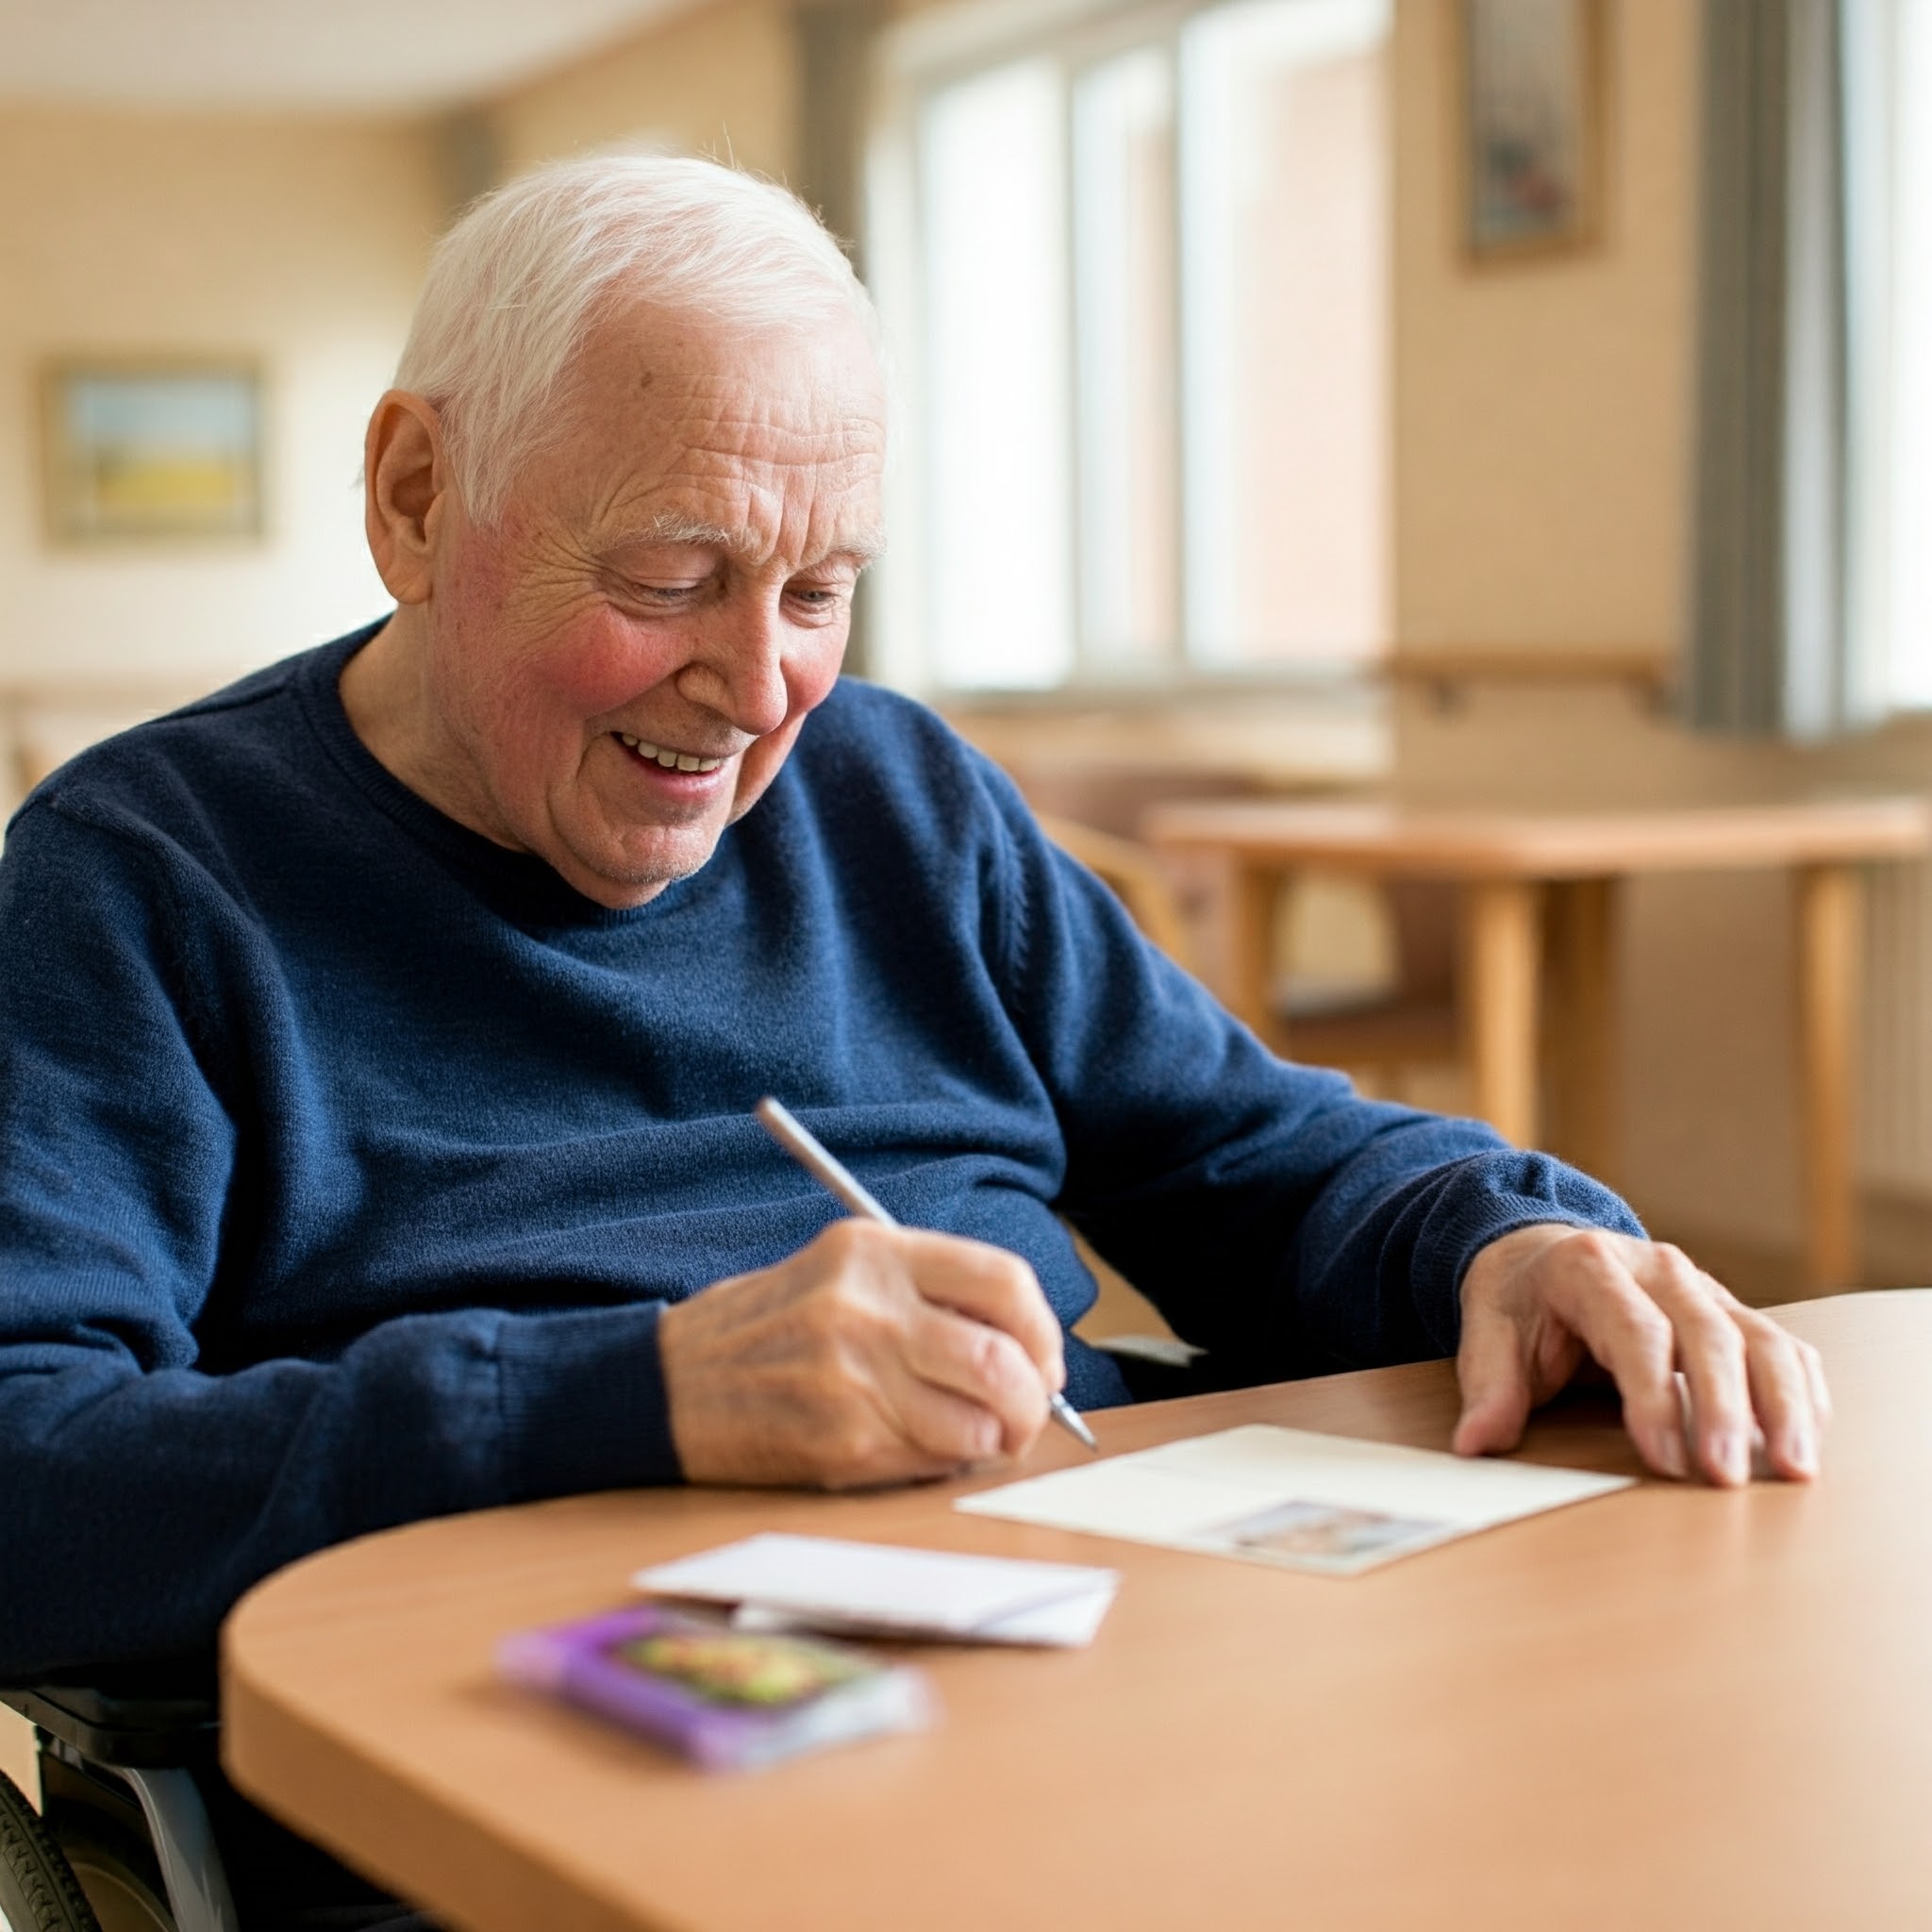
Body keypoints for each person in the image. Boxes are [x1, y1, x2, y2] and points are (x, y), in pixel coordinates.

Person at [0, 157, 1824, 1694]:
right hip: (545, 1736)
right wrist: (640, 1396)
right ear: (416, 499)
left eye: (821, 589)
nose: (757, 683)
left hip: (1084, 1659)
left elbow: (1248, 1155)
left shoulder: (896, 793)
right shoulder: (141, 876)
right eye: (670, 578)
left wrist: (1495, 1243)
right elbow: (28, 1472)